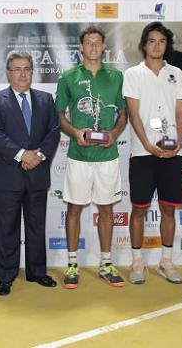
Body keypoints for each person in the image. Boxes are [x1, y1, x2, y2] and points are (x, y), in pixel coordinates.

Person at [55, 25, 128, 289]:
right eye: (89, 43)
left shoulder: (117, 77)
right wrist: (75, 132)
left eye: (98, 42)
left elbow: (123, 113)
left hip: (108, 155)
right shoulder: (68, 77)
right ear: (81, 47)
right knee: (74, 208)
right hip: (79, 155)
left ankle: (106, 263)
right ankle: (72, 264)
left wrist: (114, 133)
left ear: (104, 47)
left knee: (106, 208)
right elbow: (60, 115)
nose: (94, 47)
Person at [0, 52, 61, 296]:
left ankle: (37, 272)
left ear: (32, 71)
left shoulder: (46, 99)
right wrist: (21, 154)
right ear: (8, 73)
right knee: (6, 228)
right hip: (9, 175)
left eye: (27, 68)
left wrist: (37, 157)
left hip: (37, 173)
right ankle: (6, 276)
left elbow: (54, 131)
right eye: (17, 69)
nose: (22, 73)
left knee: (36, 226)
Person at [123, 21, 182, 285]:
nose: (157, 45)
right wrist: (148, 145)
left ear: (166, 45)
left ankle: (166, 261)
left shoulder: (177, 74)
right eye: (152, 41)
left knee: (168, 210)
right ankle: (138, 263)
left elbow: (180, 111)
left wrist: (180, 141)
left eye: (161, 41)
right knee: (139, 209)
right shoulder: (133, 74)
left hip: (173, 153)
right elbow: (133, 114)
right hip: (142, 152)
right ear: (144, 44)